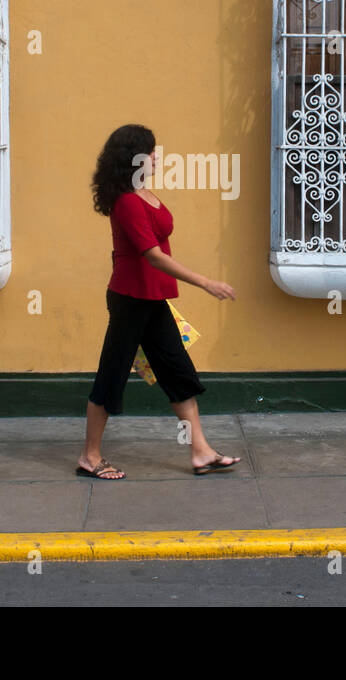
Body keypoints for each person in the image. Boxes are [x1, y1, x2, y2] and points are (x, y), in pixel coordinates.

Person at [78, 124, 240, 480]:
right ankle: (90, 457)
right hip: (130, 300)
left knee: (176, 370)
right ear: (132, 158)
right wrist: (205, 282)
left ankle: (200, 452)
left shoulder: (142, 193)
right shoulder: (127, 202)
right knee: (113, 375)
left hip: (152, 298)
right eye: (150, 151)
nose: (157, 156)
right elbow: (153, 256)